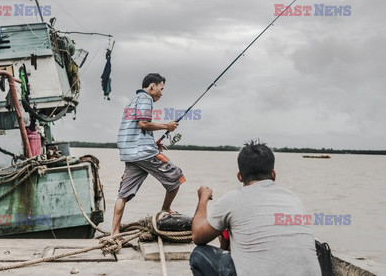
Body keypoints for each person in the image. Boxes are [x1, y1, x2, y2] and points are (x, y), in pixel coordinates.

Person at [190, 140, 321, 276]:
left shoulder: (232, 199)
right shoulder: (294, 199)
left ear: (240, 176)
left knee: (199, 254)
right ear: (273, 174)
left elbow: (198, 237)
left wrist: (203, 198)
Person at [112, 73, 186, 236]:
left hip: (130, 153)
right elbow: (143, 124)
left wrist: (154, 144)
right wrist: (167, 125)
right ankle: (166, 209)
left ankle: (114, 232)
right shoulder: (146, 98)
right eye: (161, 88)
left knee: (123, 194)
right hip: (143, 153)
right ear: (152, 86)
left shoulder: (132, 101)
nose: (161, 93)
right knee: (177, 176)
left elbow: (137, 128)